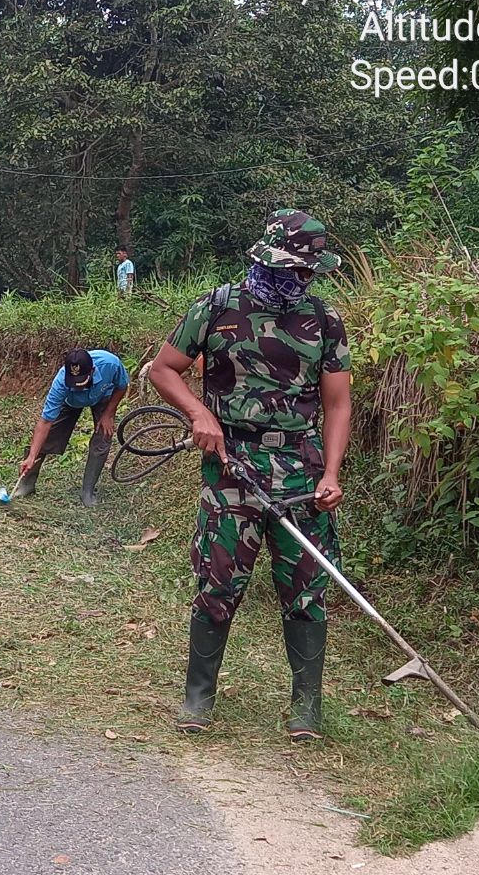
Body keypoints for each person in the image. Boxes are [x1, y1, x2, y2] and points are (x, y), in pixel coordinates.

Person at [148, 209, 351, 742]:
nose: (302, 280)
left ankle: (306, 707)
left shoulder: (324, 321)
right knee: (218, 582)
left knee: (305, 589)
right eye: (295, 269)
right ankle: (198, 698)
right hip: (231, 469)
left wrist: (331, 473)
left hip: (302, 476)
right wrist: (200, 413)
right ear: (269, 261)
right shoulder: (217, 308)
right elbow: (162, 369)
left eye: (308, 272)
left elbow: (337, 403)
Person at [16, 348, 129, 508]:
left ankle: (87, 492)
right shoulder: (60, 383)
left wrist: (109, 413)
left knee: (103, 437)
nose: (79, 387)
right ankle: (26, 485)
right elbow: (45, 422)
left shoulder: (110, 364)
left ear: (93, 370)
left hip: (103, 397)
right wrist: (31, 456)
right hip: (71, 402)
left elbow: (122, 385)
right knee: (45, 440)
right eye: (74, 383)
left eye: (82, 382)